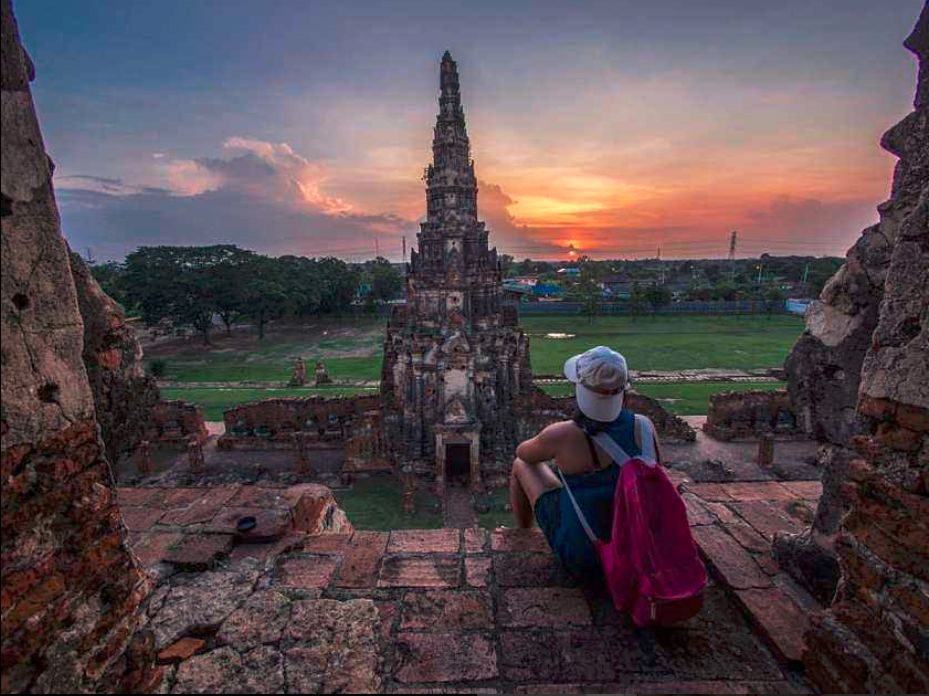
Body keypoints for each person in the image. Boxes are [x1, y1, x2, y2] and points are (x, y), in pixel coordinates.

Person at [509, 345, 661, 579]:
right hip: (640, 553)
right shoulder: (645, 427)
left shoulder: (564, 434)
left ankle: (523, 533)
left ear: (580, 388)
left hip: (586, 560)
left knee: (521, 464)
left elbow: (523, 452)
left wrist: (560, 454)